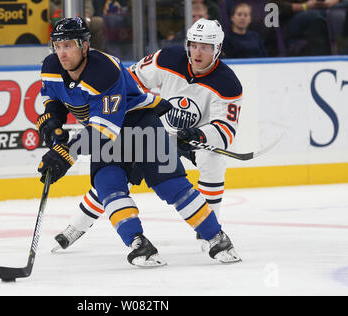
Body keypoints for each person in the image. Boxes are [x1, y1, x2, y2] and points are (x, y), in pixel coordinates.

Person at [37, 17, 241, 267]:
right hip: (108, 129)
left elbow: (103, 129)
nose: (62, 53)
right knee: (108, 185)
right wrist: (52, 122)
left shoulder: (105, 72)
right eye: (57, 46)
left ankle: (216, 237)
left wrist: (65, 154)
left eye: (68, 45)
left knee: (170, 184)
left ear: (84, 45)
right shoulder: (50, 66)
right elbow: (53, 98)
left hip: (138, 124)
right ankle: (138, 243)